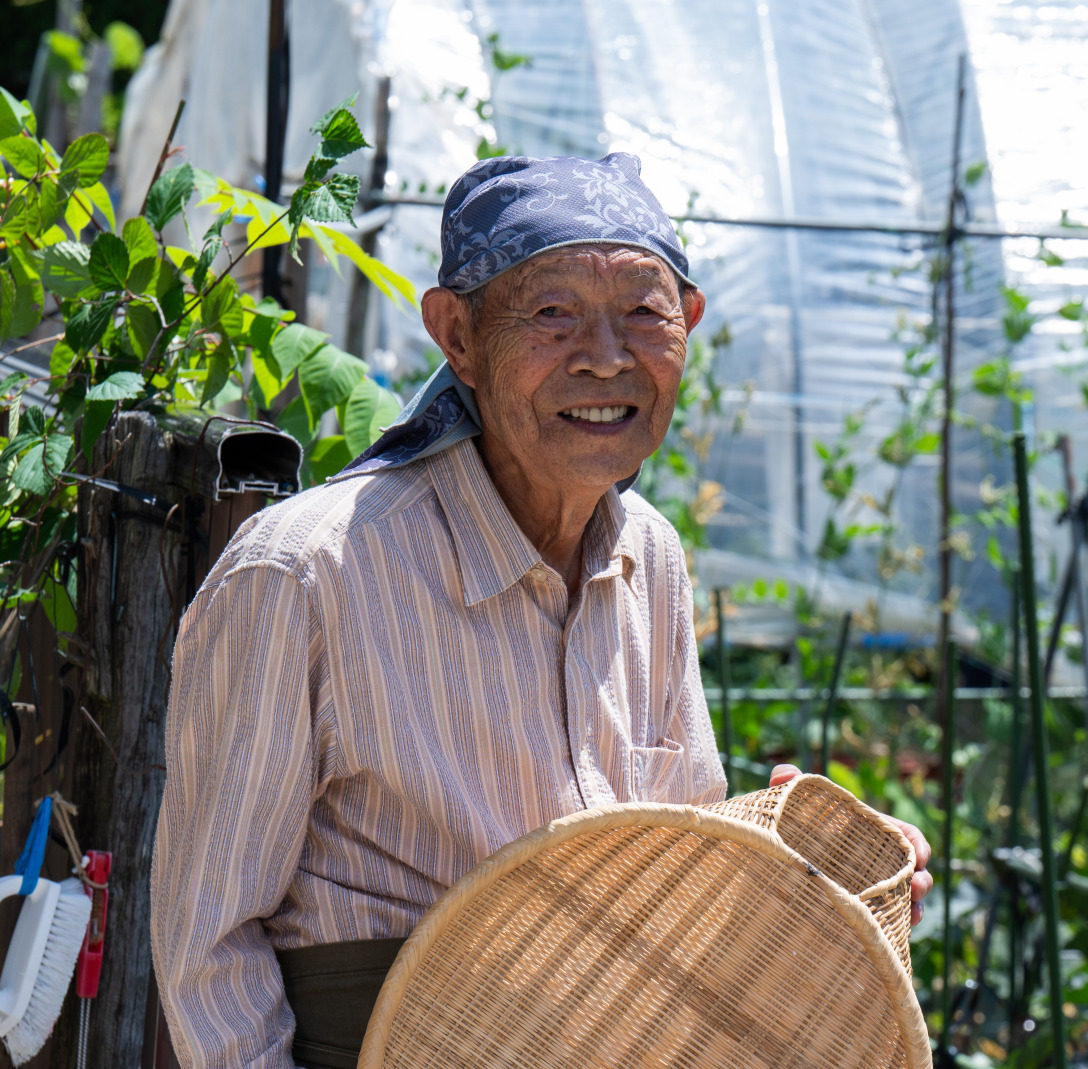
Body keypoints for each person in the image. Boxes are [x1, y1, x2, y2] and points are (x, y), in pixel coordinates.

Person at [152, 153, 930, 1069]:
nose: (606, 356)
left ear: (687, 323)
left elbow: (679, 885)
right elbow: (209, 940)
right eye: (553, 314)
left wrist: (790, 861)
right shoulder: (305, 573)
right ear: (458, 336)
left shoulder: (652, 558)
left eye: (644, 312)